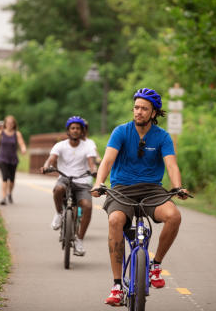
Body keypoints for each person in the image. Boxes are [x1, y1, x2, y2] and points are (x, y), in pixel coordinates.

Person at [91, 88, 189, 306]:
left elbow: (171, 164)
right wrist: (99, 183)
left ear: (154, 113)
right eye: (136, 107)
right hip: (122, 189)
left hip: (152, 189)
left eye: (144, 108)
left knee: (174, 216)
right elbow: (107, 161)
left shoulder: (162, 137)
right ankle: (117, 286)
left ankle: (155, 265)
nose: (139, 112)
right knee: (115, 220)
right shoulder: (121, 132)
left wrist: (177, 187)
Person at [40, 116, 97, 256]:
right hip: (64, 179)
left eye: (78, 128)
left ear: (82, 131)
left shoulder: (88, 145)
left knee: (88, 206)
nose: (75, 131)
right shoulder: (60, 145)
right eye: (73, 128)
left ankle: (79, 240)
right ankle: (59, 213)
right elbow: (51, 159)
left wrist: (94, 170)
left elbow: (91, 163)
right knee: (58, 189)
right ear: (68, 131)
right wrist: (46, 167)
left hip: (82, 181)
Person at [0, 115, 26, 205]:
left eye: (11, 123)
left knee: (11, 179)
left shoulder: (17, 134)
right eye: (8, 123)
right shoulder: (0, 133)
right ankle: (3, 198)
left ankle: (9, 194)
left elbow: (21, 143)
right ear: (5, 124)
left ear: (14, 124)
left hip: (13, 159)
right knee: (5, 177)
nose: (9, 124)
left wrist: (23, 149)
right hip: (2, 158)